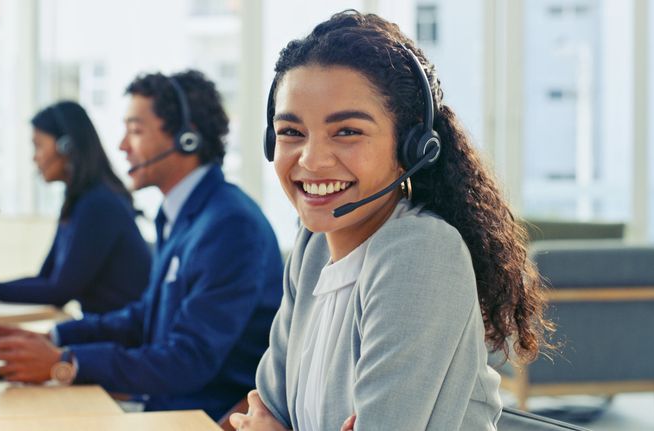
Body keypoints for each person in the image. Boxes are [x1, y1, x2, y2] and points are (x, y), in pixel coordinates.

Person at [230, 11, 552, 431]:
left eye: (347, 131)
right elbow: (266, 406)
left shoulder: (420, 252)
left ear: (411, 146)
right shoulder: (313, 247)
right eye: (291, 132)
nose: (311, 159)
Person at [0, 70, 284, 420]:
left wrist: (67, 363)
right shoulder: (179, 214)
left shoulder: (229, 226)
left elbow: (188, 361)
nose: (122, 146)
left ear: (187, 138)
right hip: (162, 404)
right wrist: (56, 337)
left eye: (135, 131)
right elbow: (143, 317)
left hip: (195, 418)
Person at [0, 101, 151, 315]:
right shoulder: (77, 202)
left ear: (67, 147)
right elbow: (45, 278)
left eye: (38, 146)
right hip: (99, 327)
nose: (34, 157)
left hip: (118, 331)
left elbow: (59, 291)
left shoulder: (99, 205)